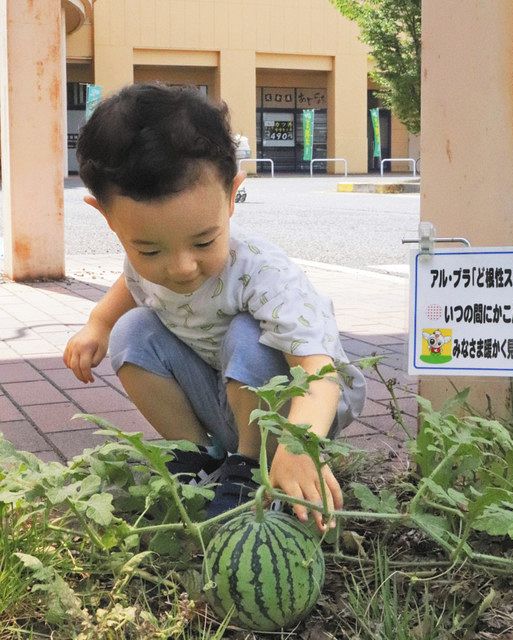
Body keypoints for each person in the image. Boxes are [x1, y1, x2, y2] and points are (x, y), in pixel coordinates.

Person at [63, 83, 366, 531]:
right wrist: (97, 325)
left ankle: (248, 468)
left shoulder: (262, 274)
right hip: (224, 396)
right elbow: (128, 287)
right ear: (106, 217)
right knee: (132, 330)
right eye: (149, 249)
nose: (181, 267)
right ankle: (199, 460)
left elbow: (319, 376)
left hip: (299, 410)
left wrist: (301, 444)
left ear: (231, 195)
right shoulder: (143, 268)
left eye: (204, 241)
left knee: (246, 332)